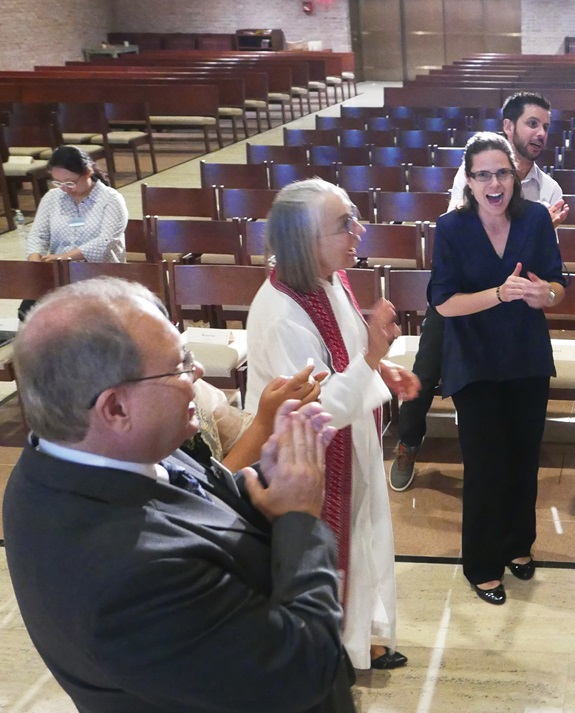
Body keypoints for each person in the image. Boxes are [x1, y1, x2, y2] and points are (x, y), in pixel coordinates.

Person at [3, 277, 356, 713]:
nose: (198, 373)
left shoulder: (81, 453)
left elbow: (202, 504)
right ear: (115, 409)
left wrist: (267, 482)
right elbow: (301, 671)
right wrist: (300, 518)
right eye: (179, 365)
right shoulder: (130, 579)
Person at [245, 179, 420, 670]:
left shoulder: (329, 279)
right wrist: (372, 354)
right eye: (344, 224)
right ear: (304, 240)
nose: (358, 231)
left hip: (350, 435)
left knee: (366, 535)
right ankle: (332, 655)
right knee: (332, 549)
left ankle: (363, 637)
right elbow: (315, 409)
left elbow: (339, 354)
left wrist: (381, 368)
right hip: (308, 455)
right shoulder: (282, 312)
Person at [390, 91, 569, 492]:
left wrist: (539, 233)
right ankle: (409, 440)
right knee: (428, 366)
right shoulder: (476, 168)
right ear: (509, 128)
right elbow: (470, 230)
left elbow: (542, 254)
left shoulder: (550, 188)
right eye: (532, 123)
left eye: (545, 125)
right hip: (466, 292)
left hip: (515, 301)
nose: (540, 133)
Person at [429, 132, 566, 605]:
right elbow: (443, 304)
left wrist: (545, 295)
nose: (494, 182)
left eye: (502, 172)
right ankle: (482, 563)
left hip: (525, 356)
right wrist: (500, 294)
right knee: (486, 464)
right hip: (475, 360)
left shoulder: (537, 220)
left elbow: (559, 285)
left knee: (524, 459)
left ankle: (517, 545)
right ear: (468, 182)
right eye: (483, 174)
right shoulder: (450, 228)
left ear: (515, 175)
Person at [183, 365, 325, 472]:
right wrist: (266, 425)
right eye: (177, 363)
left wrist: (282, 414)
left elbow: (236, 434)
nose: (198, 369)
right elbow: (210, 497)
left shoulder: (193, 388)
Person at [24, 145, 127, 264]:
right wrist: (36, 262)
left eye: (70, 183)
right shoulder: (52, 197)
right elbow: (38, 235)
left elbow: (106, 240)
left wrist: (66, 256)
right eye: (58, 182)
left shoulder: (111, 199)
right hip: (60, 270)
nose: (64, 188)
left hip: (101, 273)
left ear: (88, 172)